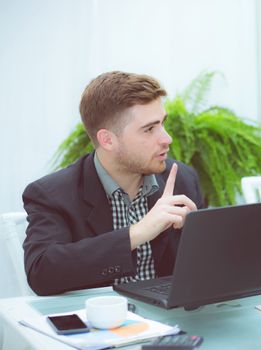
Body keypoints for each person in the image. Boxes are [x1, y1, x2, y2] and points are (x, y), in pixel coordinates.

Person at [23, 71, 204, 296]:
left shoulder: (182, 180)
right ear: (107, 140)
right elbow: (42, 273)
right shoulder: (52, 194)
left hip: (172, 321)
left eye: (162, 124)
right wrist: (137, 233)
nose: (166, 138)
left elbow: (208, 266)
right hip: (100, 323)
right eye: (149, 129)